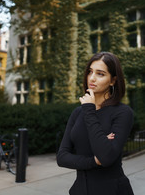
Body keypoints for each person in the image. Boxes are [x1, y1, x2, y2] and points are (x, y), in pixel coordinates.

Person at [57, 52, 134, 195]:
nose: (92, 78)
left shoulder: (123, 113)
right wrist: (93, 161)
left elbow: (106, 157)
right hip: (80, 190)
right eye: (90, 72)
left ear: (113, 80)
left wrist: (89, 110)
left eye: (100, 74)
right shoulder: (78, 112)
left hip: (112, 190)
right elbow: (62, 157)